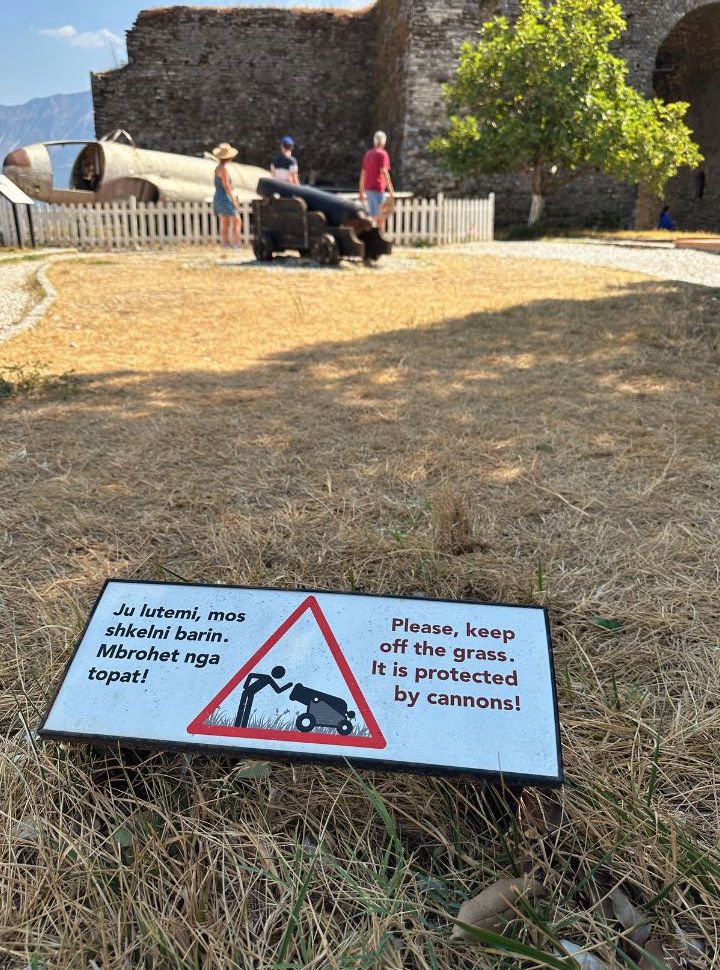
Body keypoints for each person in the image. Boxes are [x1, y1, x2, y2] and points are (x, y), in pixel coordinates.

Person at [359, 130, 395, 231]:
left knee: (373, 215)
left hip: (368, 190)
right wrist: (391, 189)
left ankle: (376, 238)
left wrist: (361, 191)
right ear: (383, 142)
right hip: (378, 189)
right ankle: (379, 238)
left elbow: (363, 174)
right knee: (380, 217)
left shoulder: (368, 154)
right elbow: (384, 171)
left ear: (374, 141)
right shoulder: (383, 154)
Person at [212, 142, 242, 248]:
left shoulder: (217, 168)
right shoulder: (224, 169)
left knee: (225, 222)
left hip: (218, 196)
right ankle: (236, 243)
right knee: (237, 220)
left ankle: (225, 243)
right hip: (224, 196)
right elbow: (227, 186)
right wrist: (234, 200)